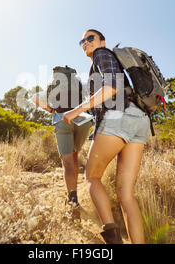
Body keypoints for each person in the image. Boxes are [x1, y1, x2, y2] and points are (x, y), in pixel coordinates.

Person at [62, 29, 150, 244]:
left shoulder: (102, 54)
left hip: (118, 118)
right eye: (82, 40)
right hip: (140, 121)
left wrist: (75, 111)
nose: (85, 43)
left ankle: (113, 240)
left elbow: (111, 87)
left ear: (102, 41)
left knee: (92, 177)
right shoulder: (108, 61)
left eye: (90, 38)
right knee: (126, 194)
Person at [31, 69, 93, 209]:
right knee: (75, 155)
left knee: (67, 161)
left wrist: (52, 111)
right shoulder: (78, 84)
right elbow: (92, 97)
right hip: (83, 121)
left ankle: (72, 198)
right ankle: (75, 189)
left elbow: (34, 98)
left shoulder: (52, 86)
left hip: (61, 119)